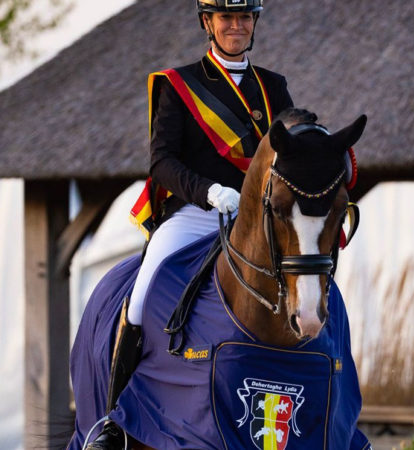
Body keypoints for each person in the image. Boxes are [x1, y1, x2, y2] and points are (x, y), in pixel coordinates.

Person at [86, 0, 293, 447]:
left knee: (310, 282)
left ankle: (332, 412)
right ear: (208, 23)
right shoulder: (179, 85)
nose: (235, 26)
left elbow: (287, 157)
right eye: (226, 18)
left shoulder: (274, 87)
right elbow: (162, 161)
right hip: (198, 214)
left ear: (254, 23)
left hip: (256, 221)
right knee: (142, 297)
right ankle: (114, 420)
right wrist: (208, 193)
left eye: (244, 17)